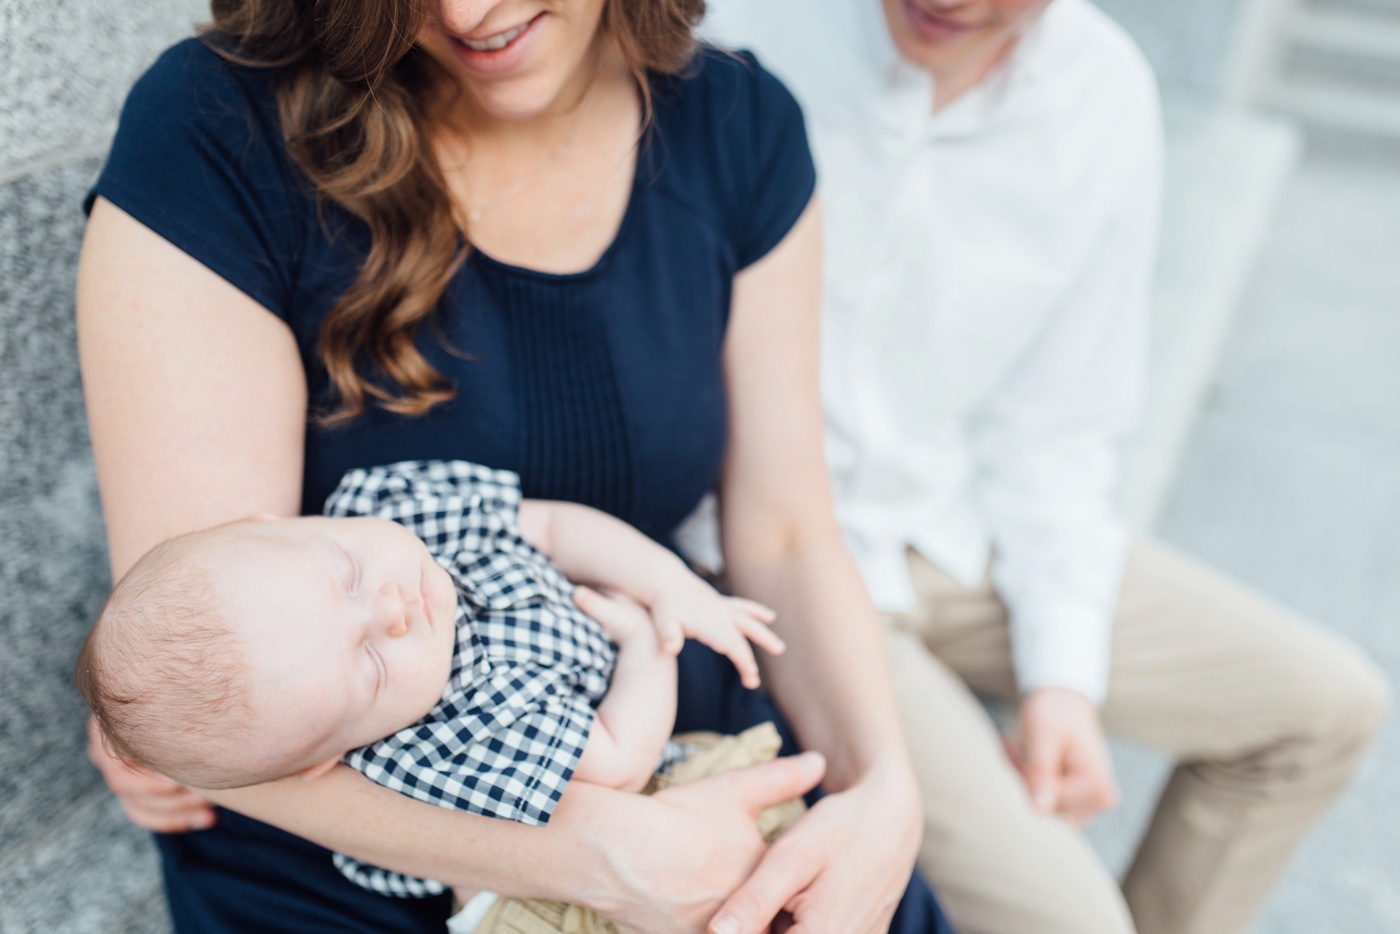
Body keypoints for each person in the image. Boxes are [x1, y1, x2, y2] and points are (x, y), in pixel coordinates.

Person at [75, 0, 950, 932]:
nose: (468, 13)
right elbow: (215, 707)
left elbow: (784, 531)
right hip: (348, 857)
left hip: (670, 727)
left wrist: (884, 793)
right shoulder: (216, 126)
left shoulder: (740, 124)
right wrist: (602, 859)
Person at [702, 1, 1391, 932]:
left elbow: (1058, 430)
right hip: (767, 556)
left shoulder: (1099, 93)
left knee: (1325, 709)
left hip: (945, 525)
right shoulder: (745, 36)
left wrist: (1063, 673)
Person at [77, 458, 792, 927]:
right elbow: (617, 762)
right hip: (540, 902)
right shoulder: (437, 741)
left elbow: (545, 523)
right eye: (369, 663)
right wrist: (645, 645)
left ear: (285, 525)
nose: (389, 608)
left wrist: (667, 583)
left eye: (345, 575)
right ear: (323, 761)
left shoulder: (392, 507)